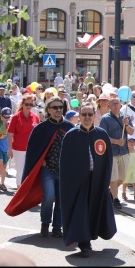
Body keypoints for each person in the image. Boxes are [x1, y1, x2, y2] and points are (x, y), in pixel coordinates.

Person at [5, 97, 74, 239]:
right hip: (47, 169)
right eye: (55, 107)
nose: (58, 110)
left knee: (62, 199)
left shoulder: (69, 128)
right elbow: (34, 150)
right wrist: (40, 161)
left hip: (64, 171)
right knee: (48, 197)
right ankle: (45, 223)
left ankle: (57, 227)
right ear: (49, 110)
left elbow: (75, 149)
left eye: (60, 107)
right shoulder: (41, 128)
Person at [59, 102, 117, 258]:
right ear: (79, 116)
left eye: (90, 114)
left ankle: (91, 235)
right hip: (78, 182)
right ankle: (84, 243)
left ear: (94, 115)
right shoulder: (71, 136)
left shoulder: (102, 134)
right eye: (83, 114)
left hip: (97, 180)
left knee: (94, 210)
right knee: (81, 211)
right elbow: (64, 163)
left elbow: (108, 159)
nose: (87, 117)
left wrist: (106, 181)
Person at [99, 96, 134, 210]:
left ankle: (110, 192)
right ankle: (115, 198)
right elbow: (102, 136)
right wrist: (115, 141)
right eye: (113, 103)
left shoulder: (126, 117)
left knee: (123, 176)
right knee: (113, 177)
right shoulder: (105, 119)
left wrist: (127, 124)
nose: (115, 105)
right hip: (111, 152)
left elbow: (132, 132)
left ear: (120, 105)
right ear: (109, 105)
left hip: (124, 151)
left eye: (117, 103)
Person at [7, 94, 39, 188]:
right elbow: (10, 134)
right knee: (20, 171)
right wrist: (9, 149)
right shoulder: (16, 117)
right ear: (22, 104)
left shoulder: (35, 117)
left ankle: (26, 194)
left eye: (31, 104)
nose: (29, 106)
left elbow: (37, 134)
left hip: (31, 149)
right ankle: (19, 191)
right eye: (26, 104)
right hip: (18, 149)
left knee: (29, 171)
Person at [122, 136, 135, 202]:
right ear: (127, 143)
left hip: (134, 168)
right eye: (130, 142)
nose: (131, 143)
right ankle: (124, 193)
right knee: (125, 182)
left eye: (133, 142)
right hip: (127, 168)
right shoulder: (125, 151)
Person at [0, 107, 11, 192]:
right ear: (1, 116)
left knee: (4, 166)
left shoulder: (10, 124)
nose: (6, 119)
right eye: (5, 117)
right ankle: (2, 184)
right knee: (1, 166)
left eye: (8, 117)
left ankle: (2, 182)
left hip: (6, 148)